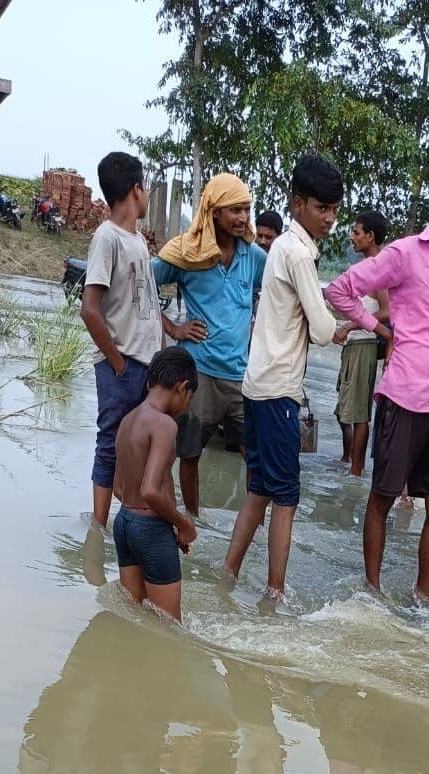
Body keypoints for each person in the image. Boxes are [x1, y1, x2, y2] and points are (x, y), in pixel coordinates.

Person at [328, 163, 429, 602]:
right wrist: (380, 330)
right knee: (382, 496)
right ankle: (372, 590)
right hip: (402, 396)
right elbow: (340, 290)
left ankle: (423, 596)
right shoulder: (404, 254)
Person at [222, 154, 343, 600]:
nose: (329, 218)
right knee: (286, 496)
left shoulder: (283, 249)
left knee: (259, 489)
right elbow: (324, 328)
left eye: (334, 209)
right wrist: (343, 325)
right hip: (278, 391)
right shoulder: (297, 254)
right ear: (298, 204)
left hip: (258, 385)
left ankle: (229, 572)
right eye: (321, 208)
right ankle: (276, 592)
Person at [152, 174, 267, 517]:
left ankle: (254, 526)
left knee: (255, 455)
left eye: (247, 209)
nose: (243, 218)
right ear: (213, 212)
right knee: (189, 454)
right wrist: (173, 328)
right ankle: (192, 519)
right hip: (198, 374)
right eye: (235, 210)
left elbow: (280, 292)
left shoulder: (254, 257)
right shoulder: (188, 254)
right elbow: (140, 285)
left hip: (241, 376)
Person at [79, 152, 163, 531]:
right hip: (121, 363)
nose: (147, 196)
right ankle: (98, 528)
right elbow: (90, 309)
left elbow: (143, 302)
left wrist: (172, 331)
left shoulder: (138, 242)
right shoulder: (107, 237)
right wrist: (116, 363)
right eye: (146, 188)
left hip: (144, 364)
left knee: (138, 446)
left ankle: (127, 522)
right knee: (111, 443)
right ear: (136, 190)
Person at [111, 346, 199, 623]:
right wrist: (183, 524)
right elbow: (151, 489)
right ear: (182, 387)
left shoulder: (128, 420)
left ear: (150, 381)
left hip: (124, 523)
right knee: (169, 627)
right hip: (149, 529)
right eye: (189, 398)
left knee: (134, 615)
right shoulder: (164, 425)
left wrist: (167, 524)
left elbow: (118, 487)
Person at [333, 209, 391, 475]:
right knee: (346, 408)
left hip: (364, 342)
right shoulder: (367, 267)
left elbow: (388, 310)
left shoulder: (379, 267)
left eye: (356, 232)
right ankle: (349, 461)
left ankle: (355, 471)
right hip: (356, 343)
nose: (352, 237)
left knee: (358, 413)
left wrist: (351, 324)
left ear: (371, 236)